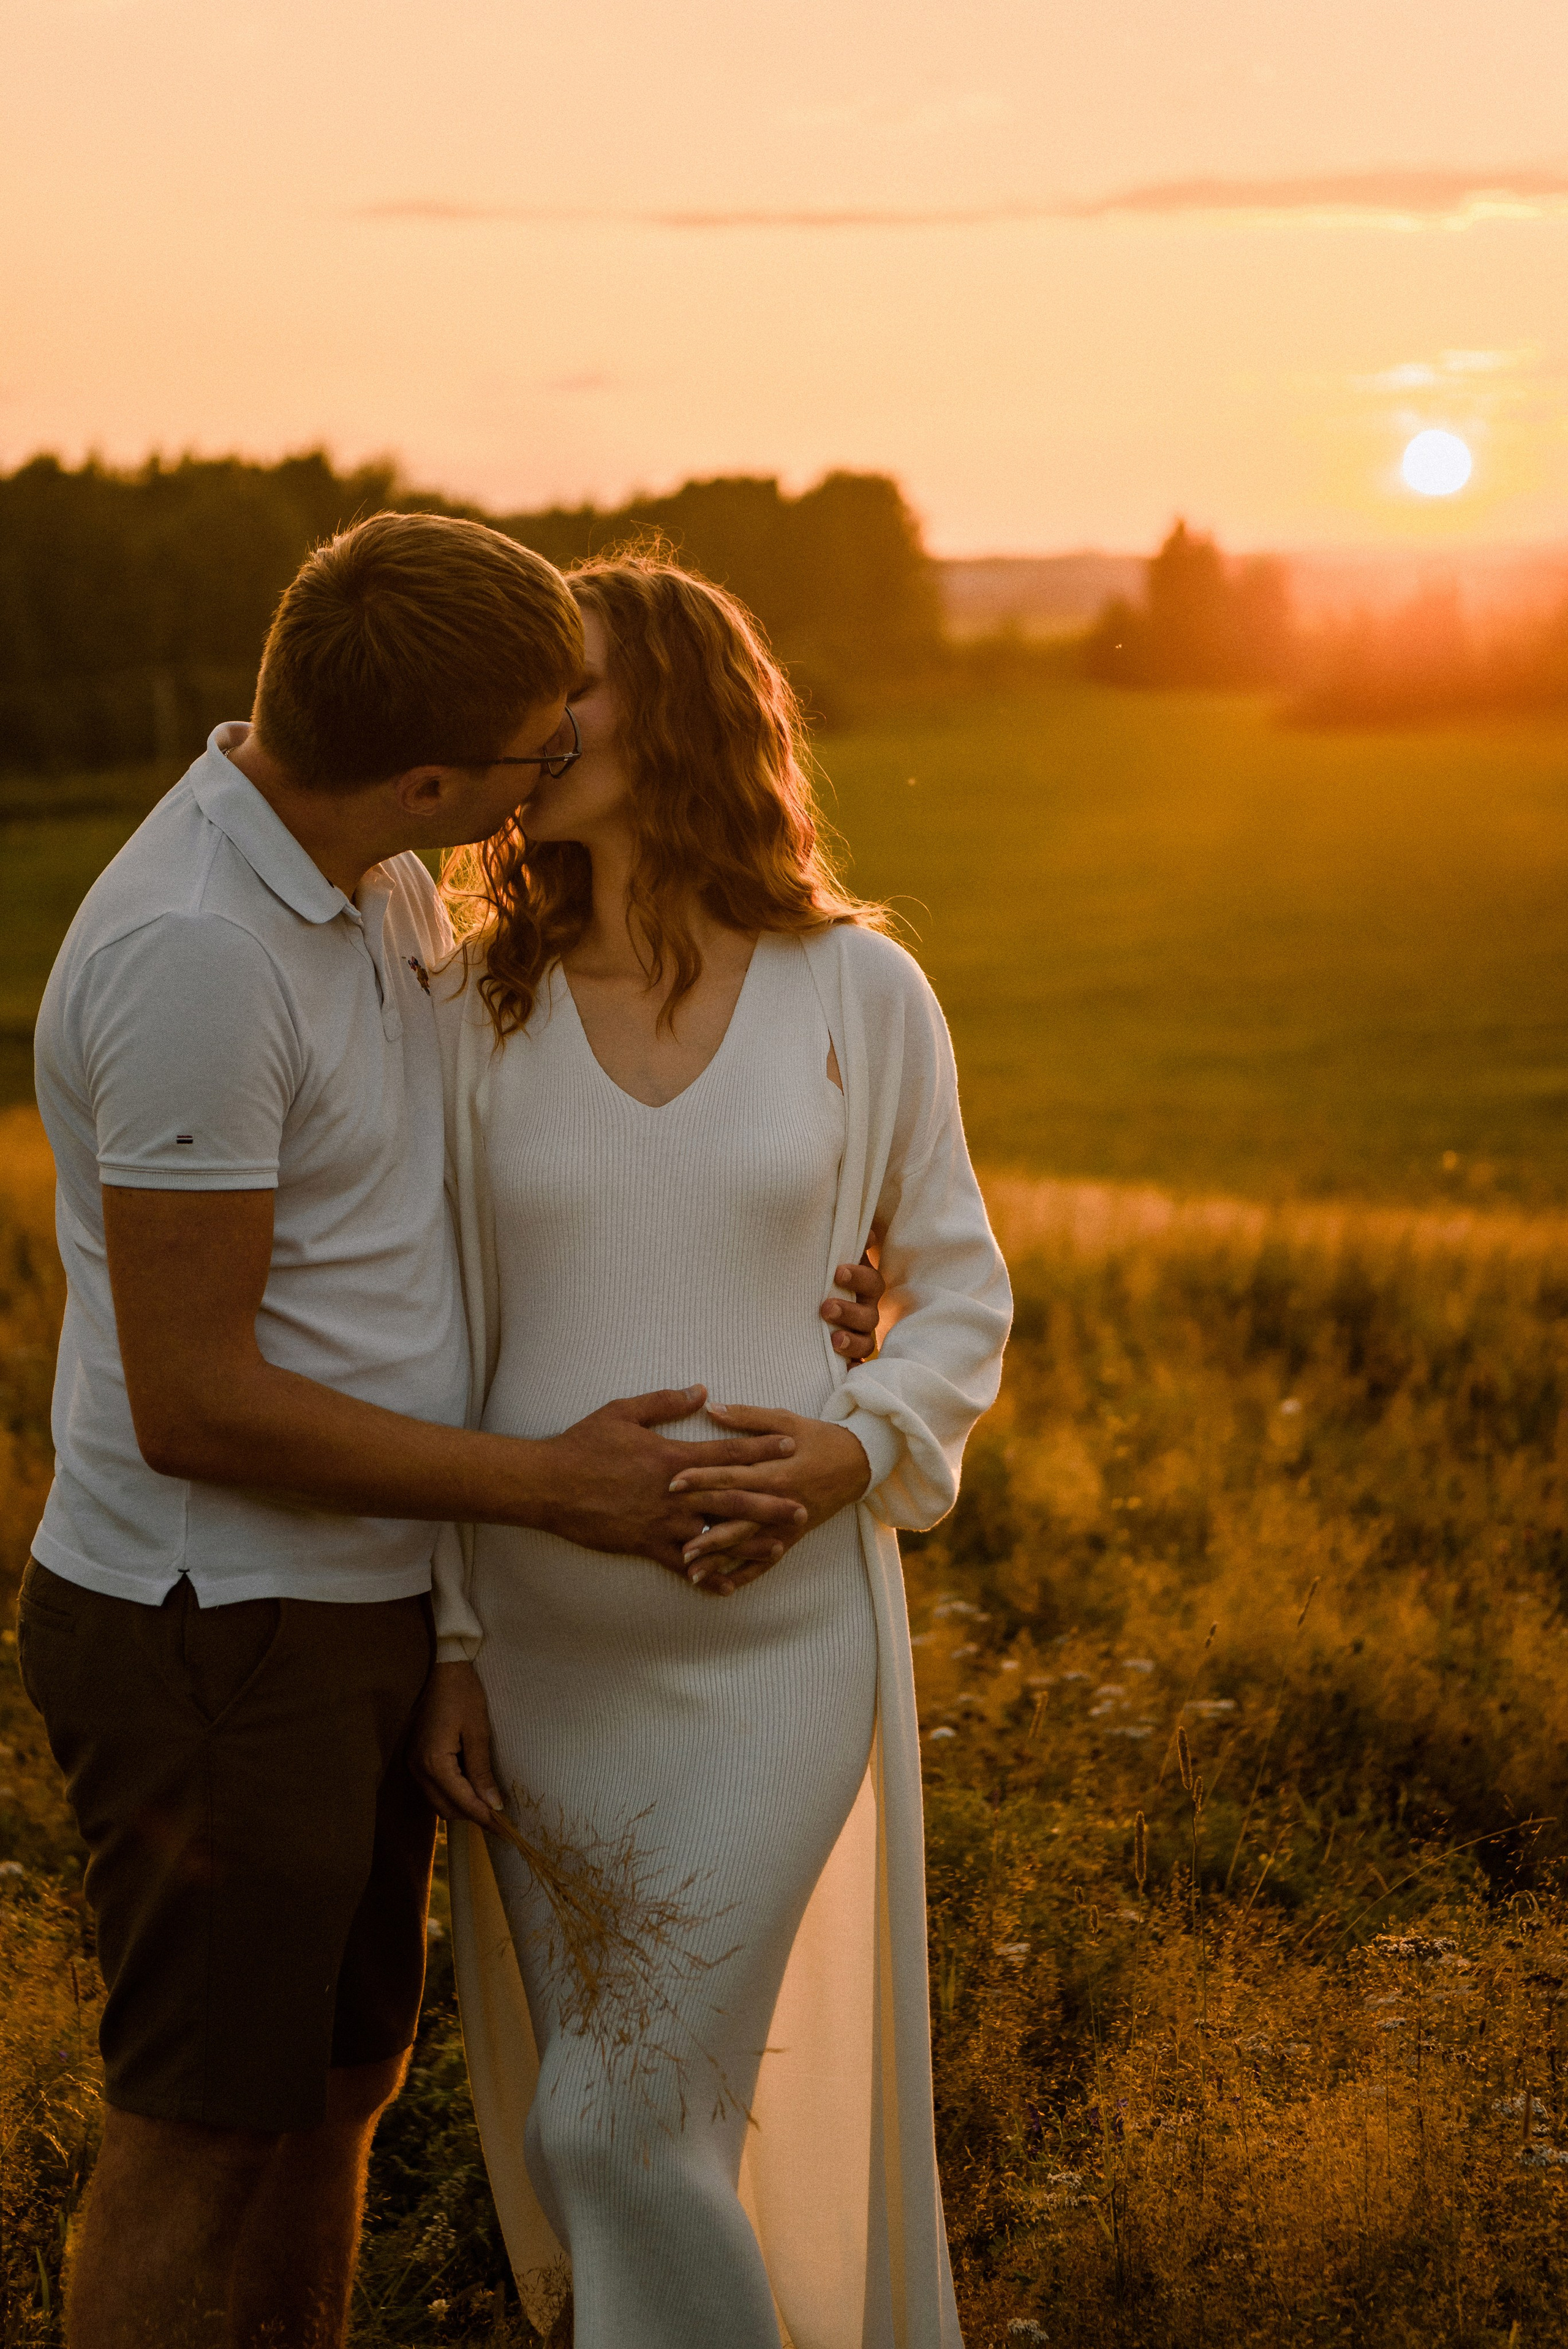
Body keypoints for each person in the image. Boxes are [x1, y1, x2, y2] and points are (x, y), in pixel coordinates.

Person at [18, 511, 884, 2349]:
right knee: (203, 2135)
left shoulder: (379, 884)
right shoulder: (198, 953)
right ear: (429, 773)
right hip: (214, 1626)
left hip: (355, 1607)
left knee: (335, 2093)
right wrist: (552, 1488)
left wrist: (820, 1273)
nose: (540, 778)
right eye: (526, 749)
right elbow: (193, 1399)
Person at [414, 554, 1012, 2348]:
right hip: (541, 1679)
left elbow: (960, 1286)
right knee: (633, 2129)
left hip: (778, 1655)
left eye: (572, 686)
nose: (536, 729)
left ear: (675, 709)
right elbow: (433, 1349)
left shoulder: (859, 996)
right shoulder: (470, 1012)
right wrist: (446, 1640)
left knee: (613, 2115)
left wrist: (860, 1445)